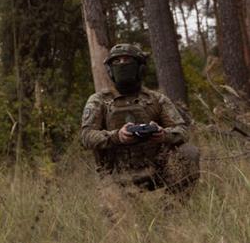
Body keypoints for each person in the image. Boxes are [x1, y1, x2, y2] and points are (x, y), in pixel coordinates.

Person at [80, 43, 200, 195]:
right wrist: (117, 136)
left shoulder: (156, 99)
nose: (122, 64)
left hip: (157, 169)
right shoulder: (99, 100)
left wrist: (164, 134)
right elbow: (86, 136)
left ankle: (173, 205)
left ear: (140, 67)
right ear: (110, 70)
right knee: (119, 210)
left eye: (127, 60)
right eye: (117, 61)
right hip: (115, 175)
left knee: (189, 152)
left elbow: (182, 130)